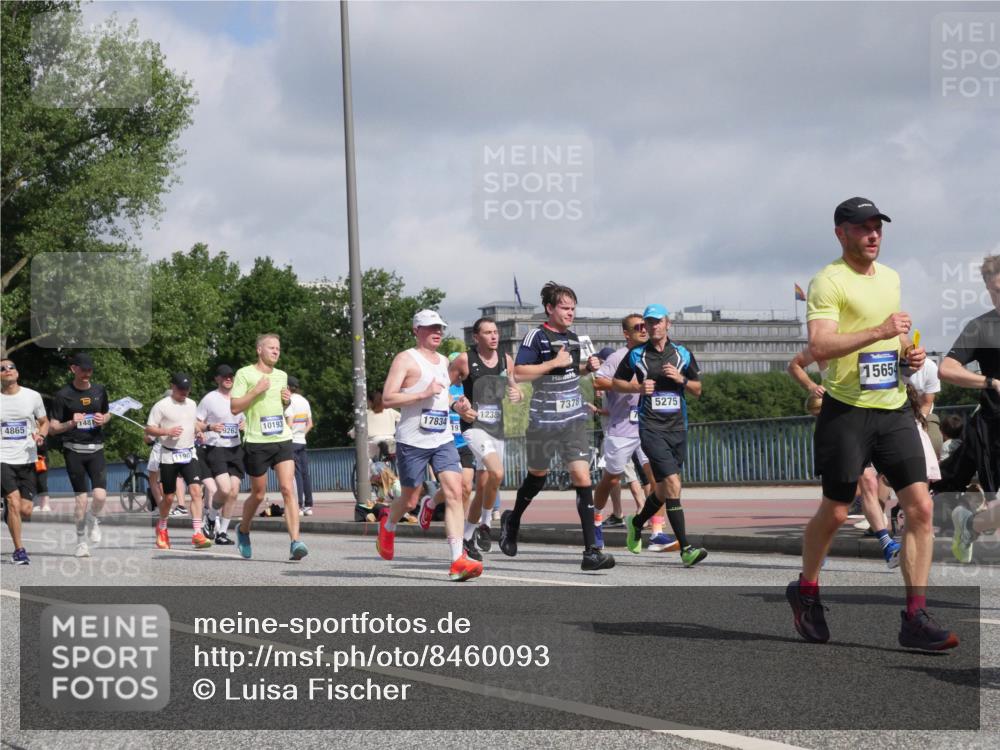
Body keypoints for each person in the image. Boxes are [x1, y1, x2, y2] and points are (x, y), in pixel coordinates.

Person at [787, 196, 957, 651]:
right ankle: (806, 590)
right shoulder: (829, 281)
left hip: (894, 407)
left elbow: (896, 332)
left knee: (921, 507)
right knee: (838, 510)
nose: (874, 234)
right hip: (846, 409)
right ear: (841, 233)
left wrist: (908, 350)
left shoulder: (891, 277)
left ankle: (915, 616)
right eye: (863, 227)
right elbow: (820, 346)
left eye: (878, 226)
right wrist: (880, 332)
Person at [502, 281, 614, 571]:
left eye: (573, 308)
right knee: (537, 476)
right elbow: (520, 372)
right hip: (543, 422)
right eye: (564, 308)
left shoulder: (574, 339)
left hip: (573, 419)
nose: (570, 313)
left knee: (582, 477)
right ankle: (512, 521)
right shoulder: (535, 337)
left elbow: (569, 370)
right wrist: (553, 362)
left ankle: (591, 552)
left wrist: (585, 368)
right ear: (549, 308)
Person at [377, 310, 482, 581]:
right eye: (431, 327)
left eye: (440, 327)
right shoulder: (405, 359)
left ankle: (457, 559)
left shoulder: (443, 361)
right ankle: (388, 524)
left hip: (442, 438)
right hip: (412, 440)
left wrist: (458, 405)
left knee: (456, 490)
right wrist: (422, 393)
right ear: (416, 330)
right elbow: (388, 398)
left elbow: (443, 396)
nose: (438, 331)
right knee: (411, 498)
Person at [788, 345, 902, 568]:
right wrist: (812, 386)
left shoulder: (868, 340)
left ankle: (887, 544)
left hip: (865, 419)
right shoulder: (825, 343)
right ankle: (819, 548)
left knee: (868, 482)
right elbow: (794, 365)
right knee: (837, 499)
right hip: (838, 424)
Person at [613, 304, 707, 567]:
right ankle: (686, 549)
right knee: (674, 484)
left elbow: (698, 389)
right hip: (651, 427)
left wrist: (682, 380)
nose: (653, 327)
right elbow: (616, 382)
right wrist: (638, 387)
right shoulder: (636, 355)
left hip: (678, 427)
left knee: (666, 489)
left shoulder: (682, 354)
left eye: (657, 322)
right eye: (648, 323)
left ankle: (637, 522)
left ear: (668, 324)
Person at [594, 317, 676, 553]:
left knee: (658, 480)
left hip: (649, 427)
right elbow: (599, 380)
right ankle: (595, 520)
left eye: (645, 326)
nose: (644, 330)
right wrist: (633, 387)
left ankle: (657, 533)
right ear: (626, 334)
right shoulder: (618, 357)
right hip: (621, 429)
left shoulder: (653, 356)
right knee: (611, 478)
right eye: (637, 328)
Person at [937, 254, 1000, 562]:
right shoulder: (980, 327)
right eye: (997, 289)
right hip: (994, 430)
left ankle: (969, 523)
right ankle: (970, 523)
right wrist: (990, 382)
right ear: (987, 287)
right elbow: (946, 369)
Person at [448, 318, 522, 557]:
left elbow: (513, 384)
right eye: (488, 332)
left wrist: (516, 392)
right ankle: (486, 525)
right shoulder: (464, 360)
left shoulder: (505, 359)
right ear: (476, 337)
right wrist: (457, 404)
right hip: (473, 427)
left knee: (484, 485)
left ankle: (468, 537)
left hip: (496, 428)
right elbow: (442, 385)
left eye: (496, 332)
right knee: (497, 472)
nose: (494, 336)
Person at [231, 334, 308, 561]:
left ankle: (296, 542)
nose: (276, 352)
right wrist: (256, 390)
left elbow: (280, 406)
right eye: (271, 348)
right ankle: (243, 530)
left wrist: (286, 401)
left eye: (278, 348)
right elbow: (235, 407)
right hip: (256, 441)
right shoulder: (244, 374)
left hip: (282, 438)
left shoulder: (282, 375)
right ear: (259, 350)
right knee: (258, 494)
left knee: (287, 489)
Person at [48, 352, 110, 558]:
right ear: (73, 369)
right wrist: (71, 423)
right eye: (83, 370)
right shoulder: (63, 395)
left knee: (100, 496)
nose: (87, 374)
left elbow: (107, 413)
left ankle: (93, 519)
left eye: (90, 370)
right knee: (81, 500)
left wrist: (104, 419)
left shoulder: (100, 391)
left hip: (96, 449)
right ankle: (80, 542)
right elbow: (53, 428)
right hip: (73, 450)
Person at [146, 373, 212, 550]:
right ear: (173, 387)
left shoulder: (192, 404)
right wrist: (167, 431)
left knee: (197, 491)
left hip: (189, 453)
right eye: (181, 389)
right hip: (169, 455)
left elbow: (192, 423)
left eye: (187, 389)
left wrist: (198, 431)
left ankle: (197, 533)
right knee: (168, 498)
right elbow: (150, 428)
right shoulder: (161, 406)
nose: (185, 392)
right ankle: (162, 528)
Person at [1, 359, 48, 565]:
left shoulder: (32, 396)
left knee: (25, 510)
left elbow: (44, 422)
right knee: (13, 501)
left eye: (11, 367)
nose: (7, 370)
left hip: (27, 458)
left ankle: (9, 515)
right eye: (2, 369)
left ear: (17, 373)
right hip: (3, 458)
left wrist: (41, 436)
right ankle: (19, 550)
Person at [196, 365, 245, 545]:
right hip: (215, 447)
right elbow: (196, 423)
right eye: (224, 376)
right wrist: (209, 427)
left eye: (231, 376)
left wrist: (244, 425)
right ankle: (210, 516)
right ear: (217, 379)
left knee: (233, 492)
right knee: (224, 489)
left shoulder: (239, 398)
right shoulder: (210, 399)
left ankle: (222, 533)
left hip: (235, 448)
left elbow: (244, 419)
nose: (228, 379)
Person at [285, 375, 315, 515]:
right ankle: (308, 505)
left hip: (291, 441)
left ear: (287, 387)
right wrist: (302, 433)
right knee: (304, 473)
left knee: (294, 474)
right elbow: (310, 424)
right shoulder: (304, 401)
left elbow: (289, 424)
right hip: (302, 440)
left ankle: (299, 505)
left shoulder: (289, 402)